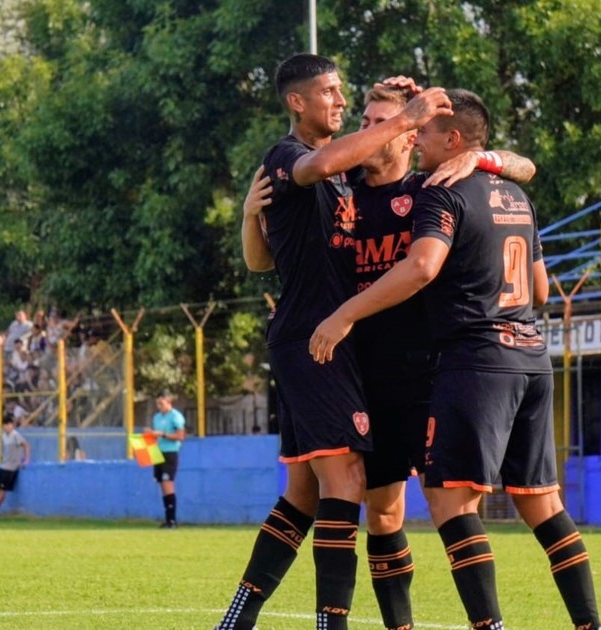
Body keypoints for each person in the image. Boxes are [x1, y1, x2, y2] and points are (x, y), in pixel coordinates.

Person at [241, 81, 538, 630]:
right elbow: (269, 255)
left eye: (385, 123)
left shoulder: (433, 188)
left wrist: (483, 156)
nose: (369, 130)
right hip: (359, 373)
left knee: (445, 507)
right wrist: (249, 216)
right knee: (378, 510)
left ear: (410, 137)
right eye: (366, 121)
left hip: (427, 372)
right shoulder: (341, 189)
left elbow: (525, 168)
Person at [309, 89, 601, 630]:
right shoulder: (515, 196)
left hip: (470, 361)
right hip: (529, 355)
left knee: (451, 505)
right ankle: (590, 625)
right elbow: (539, 289)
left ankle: (489, 626)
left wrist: (344, 314)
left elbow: (422, 268)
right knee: (541, 504)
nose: (413, 135)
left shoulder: (438, 191)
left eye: (421, 130)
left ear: (454, 139)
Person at [215, 53, 452, 630]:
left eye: (345, 92)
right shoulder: (289, 156)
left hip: (347, 350)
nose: (341, 102)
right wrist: (404, 118)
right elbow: (317, 167)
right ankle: (332, 624)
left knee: (303, 491)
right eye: (329, 92)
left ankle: (236, 619)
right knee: (345, 482)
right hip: (312, 340)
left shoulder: (353, 177)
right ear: (297, 102)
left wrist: (411, 114)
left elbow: (263, 259)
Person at [147, 393, 186, 528]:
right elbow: (156, 436)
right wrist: (151, 434)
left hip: (170, 453)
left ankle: (172, 520)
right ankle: (168, 519)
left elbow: (180, 436)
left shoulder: (175, 416)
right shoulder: (157, 417)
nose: (159, 406)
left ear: (169, 403)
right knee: (162, 486)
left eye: (161, 404)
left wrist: (162, 434)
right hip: (158, 452)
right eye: (157, 404)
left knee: (167, 484)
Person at [0, 419, 30, 519]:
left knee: (2, 491)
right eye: (5, 425)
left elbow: (26, 445)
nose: (7, 427)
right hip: (4, 466)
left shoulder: (15, 435)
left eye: (9, 424)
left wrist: (26, 459)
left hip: (10, 468)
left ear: (12, 425)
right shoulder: (4, 436)